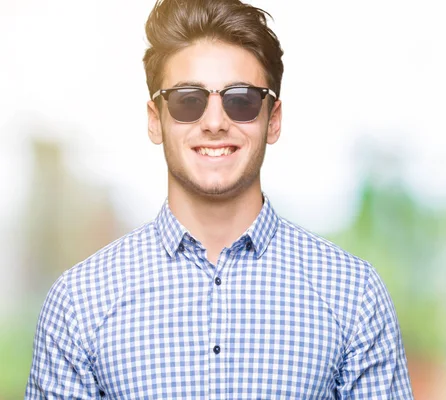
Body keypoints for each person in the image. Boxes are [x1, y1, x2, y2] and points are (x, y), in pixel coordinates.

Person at [25, 0, 414, 398]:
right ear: (155, 120)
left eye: (241, 99)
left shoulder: (352, 294)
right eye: (188, 100)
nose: (214, 123)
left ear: (273, 119)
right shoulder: (80, 302)